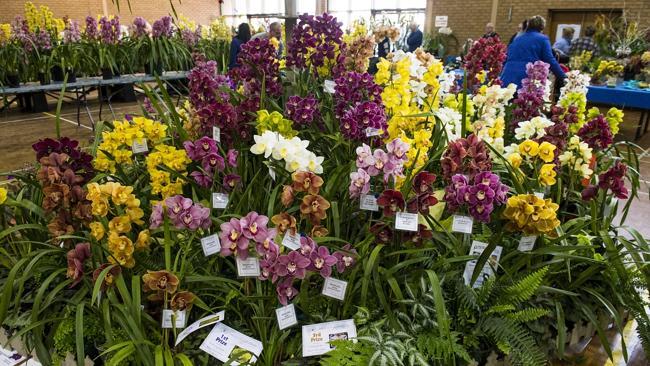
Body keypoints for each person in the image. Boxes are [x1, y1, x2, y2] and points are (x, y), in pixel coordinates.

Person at [500, 15, 566, 90]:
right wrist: (562, 76)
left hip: (507, 75)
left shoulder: (517, 38)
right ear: (542, 27)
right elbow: (549, 59)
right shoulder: (542, 39)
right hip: (525, 78)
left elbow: (506, 57)